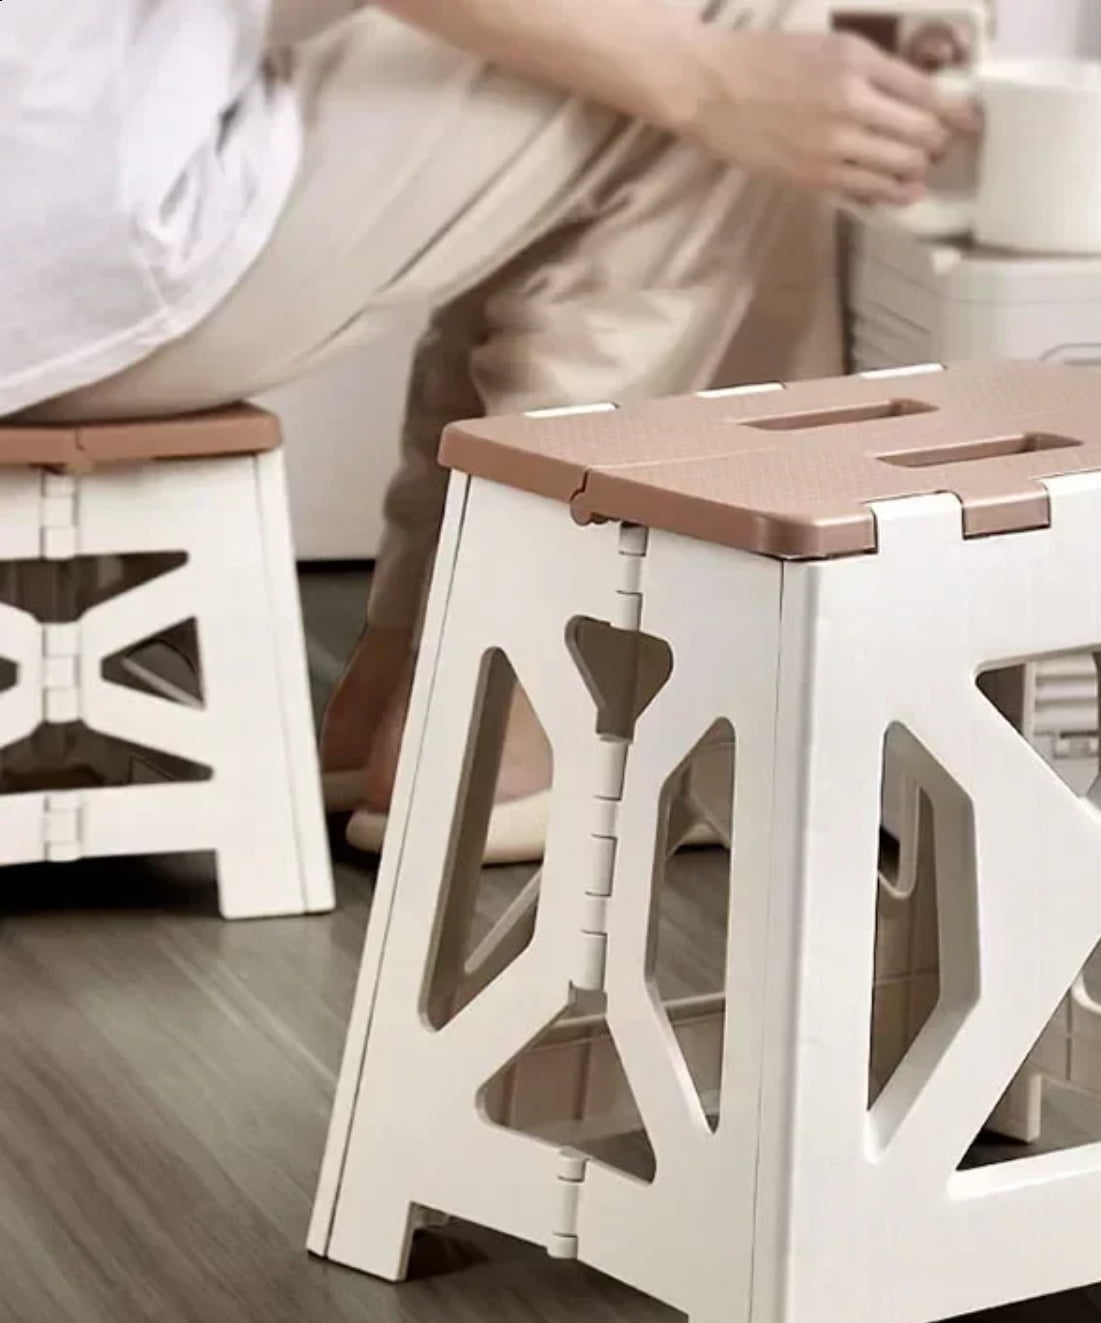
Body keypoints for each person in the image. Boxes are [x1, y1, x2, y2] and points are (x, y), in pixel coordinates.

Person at [0, 0, 976, 861]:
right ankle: (508, 722)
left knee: (587, 43)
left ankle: (411, 694)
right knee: (733, 37)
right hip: (71, 238)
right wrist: (713, 80)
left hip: (60, 180)